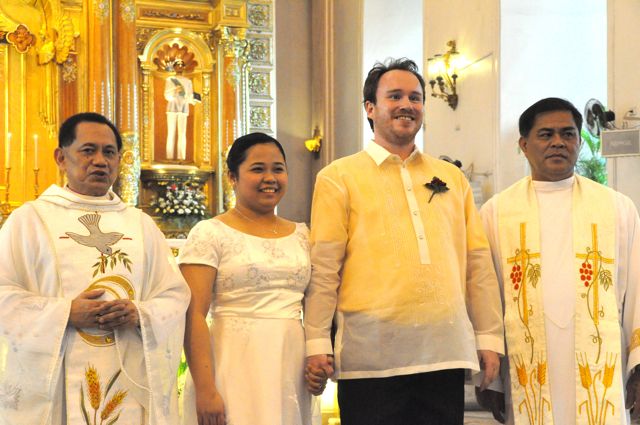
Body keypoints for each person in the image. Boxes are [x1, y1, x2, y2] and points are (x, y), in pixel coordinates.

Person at [303, 57, 504, 425]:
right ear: (370, 108)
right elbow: (325, 266)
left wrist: (489, 336)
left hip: (443, 350)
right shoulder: (339, 177)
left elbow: (477, 262)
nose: (407, 105)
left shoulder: (451, 178)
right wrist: (316, 342)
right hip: (371, 356)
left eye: (415, 97)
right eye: (394, 96)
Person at [0, 112, 191, 424]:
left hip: (129, 378)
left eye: (109, 152)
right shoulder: (29, 220)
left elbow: (174, 295)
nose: (100, 161)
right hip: (54, 386)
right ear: (61, 157)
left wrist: (139, 314)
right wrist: (65, 313)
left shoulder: (140, 224)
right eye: (88, 150)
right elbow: (3, 294)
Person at [479, 97, 640, 424]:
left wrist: (638, 365)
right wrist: (492, 379)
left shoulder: (617, 208)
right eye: (545, 134)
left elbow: (637, 289)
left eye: (568, 134)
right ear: (524, 145)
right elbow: (486, 297)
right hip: (527, 364)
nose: (558, 142)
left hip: (601, 363)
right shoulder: (497, 212)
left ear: (579, 142)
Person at [179, 132, 313, 425]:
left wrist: (318, 355)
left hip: (290, 360)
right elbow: (194, 315)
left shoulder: (303, 235)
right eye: (257, 169)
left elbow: (316, 305)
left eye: (278, 169)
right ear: (232, 177)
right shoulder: (210, 233)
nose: (270, 178)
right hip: (233, 362)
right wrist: (205, 389)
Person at [165, 60, 195, 160]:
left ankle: (181, 157)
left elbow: (190, 95)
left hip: (183, 107)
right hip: (172, 107)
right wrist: (174, 91)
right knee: (171, 132)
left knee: (182, 133)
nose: (180, 66)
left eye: (182, 65)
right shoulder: (170, 80)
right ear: (174, 67)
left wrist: (194, 99)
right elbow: (166, 95)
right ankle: (169, 157)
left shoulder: (188, 81)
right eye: (178, 65)